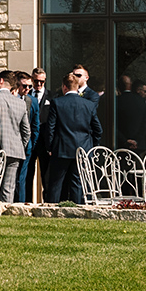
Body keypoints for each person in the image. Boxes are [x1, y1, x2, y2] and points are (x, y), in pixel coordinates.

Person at [36, 72, 101, 204]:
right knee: (77, 183)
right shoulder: (88, 105)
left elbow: (50, 128)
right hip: (82, 150)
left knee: (55, 183)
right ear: (77, 87)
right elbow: (98, 129)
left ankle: (51, 209)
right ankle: (76, 209)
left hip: (61, 149)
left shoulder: (57, 103)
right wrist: (91, 146)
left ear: (64, 87)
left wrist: (49, 147)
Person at [0, 71, 32, 202]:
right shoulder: (20, 103)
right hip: (15, 151)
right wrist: (20, 145)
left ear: (0, 80)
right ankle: (6, 216)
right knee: (8, 189)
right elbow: (26, 131)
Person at [13, 72, 40, 203]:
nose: (27, 89)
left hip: (26, 146)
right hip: (11, 144)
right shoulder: (10, 98)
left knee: (21, 178)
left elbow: (35, 124)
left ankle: (20, 204)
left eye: (30, 86)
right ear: (17, 85)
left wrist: (31, 144)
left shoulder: (32, 101)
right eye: (24, 86)